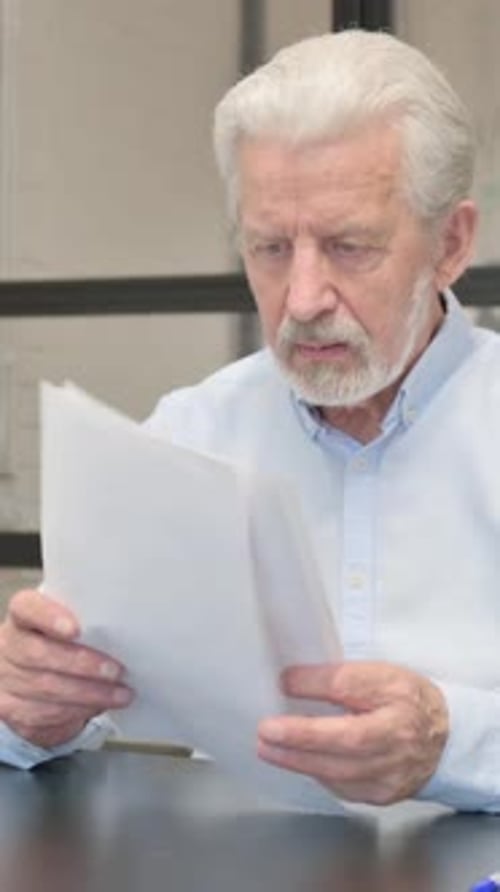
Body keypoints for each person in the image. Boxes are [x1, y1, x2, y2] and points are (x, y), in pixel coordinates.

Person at [0, 29, 498, 811]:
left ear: (451, 243)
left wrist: (451, 741)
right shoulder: (192, 434)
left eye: (349, 246)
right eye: (269, 248)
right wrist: (31, 706)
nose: (302, 299)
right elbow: (53, 711)